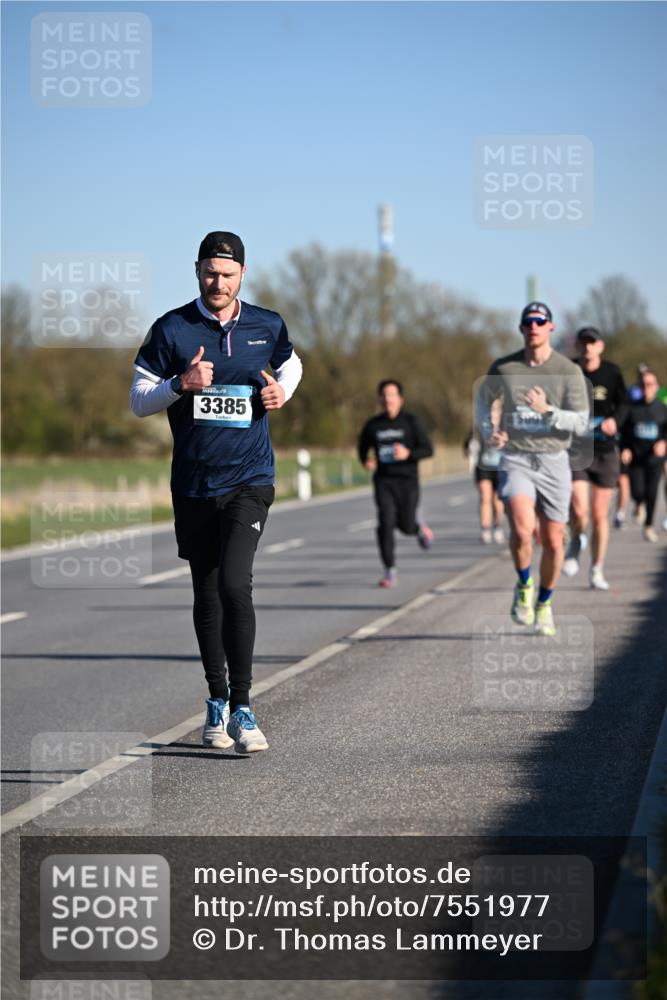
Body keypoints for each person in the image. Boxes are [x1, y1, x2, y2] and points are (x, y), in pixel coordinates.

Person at [130, 231, 302, 753]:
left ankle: (244, 708)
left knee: (234, 584)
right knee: (206, 593)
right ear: (197, 270)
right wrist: (179, 385)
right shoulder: (172, 329)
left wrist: (282, 391)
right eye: (210, 272)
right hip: (194, 484)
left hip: (250, 479)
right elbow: (138, 399)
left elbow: (292, 364)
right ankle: (217, 698)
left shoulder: (266, 325)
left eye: (227, 274)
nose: (218, 282)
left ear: (243, 274)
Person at [477, 302, 589, 636]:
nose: (534, 327)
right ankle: (524, 584)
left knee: (553, 542)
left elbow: (581, 422)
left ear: (551, 327)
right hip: (517, 457)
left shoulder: (568, 371)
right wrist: (489, 430)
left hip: (554, 459)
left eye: (540, 321)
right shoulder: (505, 367)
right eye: (529, 322)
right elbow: (483, 401)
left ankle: (544, 603)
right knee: (523, 529)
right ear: (521, 328)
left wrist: (547, 410)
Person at [562, 327, 627, 589]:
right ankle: (575, 543)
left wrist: (615, 420)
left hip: (605, 450)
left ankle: (597, 568)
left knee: (600, 515)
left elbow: (624, 404)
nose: (588, 347)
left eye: (592, 342)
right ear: (578, 346)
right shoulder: (569, 370)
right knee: (579, 508)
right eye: (584, 342)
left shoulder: (612, 372)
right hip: (577, 449)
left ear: (600, 346)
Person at [358, 380, 434, 587]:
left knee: (406, 525)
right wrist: (366, 460)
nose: (387, 399)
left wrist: (408, 454)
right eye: (384, 395)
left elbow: (428, 449)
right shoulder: (373, 425)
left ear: (401, 399)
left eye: (391, 395)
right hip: (384, 481)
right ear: (380, 399)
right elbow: (362, 447)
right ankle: (389, 570)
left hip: (407, 481)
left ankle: (418, 528)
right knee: (386, 523)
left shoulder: (411, 422)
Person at [620, 367, 667, 543]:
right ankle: (639, 504)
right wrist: (625, 448)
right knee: (638, 492)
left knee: (652, 492)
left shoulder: (662, 409)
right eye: (644, 385)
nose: (647, 388)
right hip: (636, 458)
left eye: (650, 384)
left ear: (657, 386)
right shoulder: (632, 408)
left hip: (654, 458)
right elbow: (623, 431)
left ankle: (648, 526)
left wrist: (664, 443)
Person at [463, 428, 505, 544]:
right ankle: (485, 529)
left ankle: (497, 526)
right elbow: (468, 444)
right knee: (485, 497)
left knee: (497, 500)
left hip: (500, 466)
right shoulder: (478, 426)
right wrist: (469, 449)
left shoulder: (506, 423)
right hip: (483, 467)